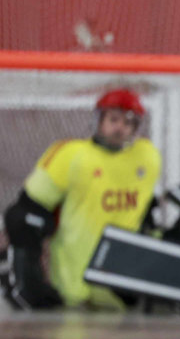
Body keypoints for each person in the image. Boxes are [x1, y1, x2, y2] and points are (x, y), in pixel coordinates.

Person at [2, 88, 162, 311]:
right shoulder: (71, 155)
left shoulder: (147, 157)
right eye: (113, 119)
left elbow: (145, 210)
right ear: (99, 120)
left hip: (121, 284)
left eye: (128, 122)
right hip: (72, 281)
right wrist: (29, 278)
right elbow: (24, 213)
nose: (120, 128)